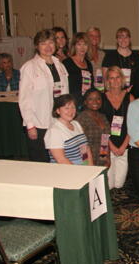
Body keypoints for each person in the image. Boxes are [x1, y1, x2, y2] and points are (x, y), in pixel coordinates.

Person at [19, 29, 69, 162]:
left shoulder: (60, 66)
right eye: (43, 43)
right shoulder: (29, 67)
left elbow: (65, 96)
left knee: (58, 160)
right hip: (38, 123)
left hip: (57, 122)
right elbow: (24, 99)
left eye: (51, 42)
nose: (48, 47)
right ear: (36, 46)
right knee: (41, 164)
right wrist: (30, 125)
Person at [101, 66, 133, 189]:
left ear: (122, 78)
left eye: (117, 77)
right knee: (108, 185)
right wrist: (111, 147)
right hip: (106, 144)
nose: (115, 81)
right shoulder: (101, 99)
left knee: (119, 184)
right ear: (107, 81)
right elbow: (100, 127)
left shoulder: (130, 98)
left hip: (124, 145)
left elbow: (132, 125)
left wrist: (123, 146)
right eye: (111, 78)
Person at [44, 94, 93, 165]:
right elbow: (61, 159)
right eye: (66, 108)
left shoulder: (76, 124)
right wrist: (79, 173)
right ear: (58, 110)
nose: (71, 111)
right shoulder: (54, 131)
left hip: (83, 169)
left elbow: (86, 149)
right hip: (66, 172)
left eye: (73, 107)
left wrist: (90, 168)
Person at [76, 89, 111, 167]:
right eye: (91, 99)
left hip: (101, 160)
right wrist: (87, 164)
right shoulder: (82, 118)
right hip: (87, 162)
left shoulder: (103, 117)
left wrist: (106, 158)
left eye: (98, 98)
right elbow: (81, 145)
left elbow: (104, 140)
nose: (95, 102)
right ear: (85, 102)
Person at [63, 32, 93, 105]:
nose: (82, 48)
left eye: (85, 44)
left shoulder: (89, 64)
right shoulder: (67, 63)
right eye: (79, 44)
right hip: (71, 102)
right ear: (74, 46)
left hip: (86, 103)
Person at [86, 26, 105, 91]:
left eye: (97, 36)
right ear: (87, 38)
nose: (95, 38)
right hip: (88, 89)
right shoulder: (83, 54)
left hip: (102, 89)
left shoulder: (103, 54)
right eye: (91, 35)